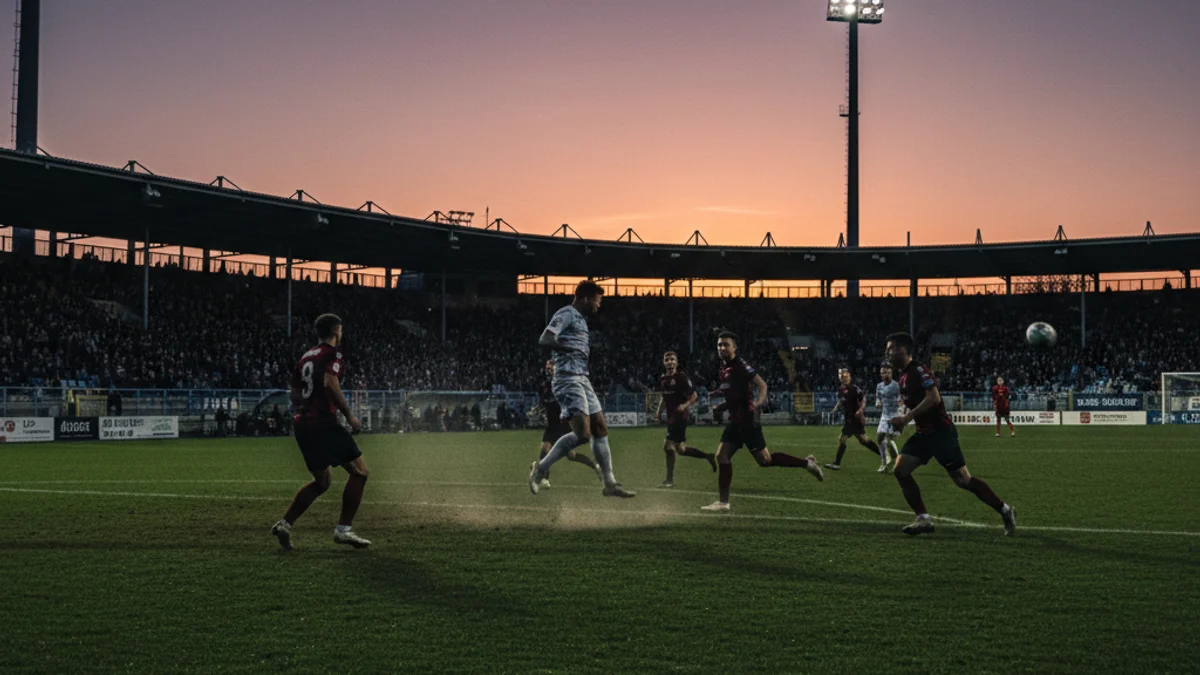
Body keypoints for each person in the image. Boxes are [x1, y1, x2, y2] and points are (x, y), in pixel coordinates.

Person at [885, 332, 1016, 536]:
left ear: (904, 349)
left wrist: (906, 417)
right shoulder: (902, 377)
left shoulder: (919, 370)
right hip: (923, 435)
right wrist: (904, 419)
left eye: (891, 348)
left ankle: (1005, 510)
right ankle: (923, 519)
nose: (888, 353)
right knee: (900, 469)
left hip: (940, 433)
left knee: (963, 480)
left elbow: (934, 398)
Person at [271, 314, 372, 550]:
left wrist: (306, 409)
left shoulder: (305, 356)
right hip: (323, 422)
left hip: (302, 424)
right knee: (360, 472)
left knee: (322, 481)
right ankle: (344, 530)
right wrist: (350, 416)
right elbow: (330, 382)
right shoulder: (333, 354)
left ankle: (285, 524)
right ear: (337, 330)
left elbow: (294, 391)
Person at [528, 281, 635, 498]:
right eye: (597, 300)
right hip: (567, 379)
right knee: (583, 435)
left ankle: (610, 483)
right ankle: (539, 470)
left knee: (601, 428)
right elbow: (545, 338)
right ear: (586, 298)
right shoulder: (566, 313)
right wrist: (568, 348)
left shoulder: (582, 321)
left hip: (582, 379)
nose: (598, 305)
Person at [701, 331, 823, 512]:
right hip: (737, 420)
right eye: (719, 345)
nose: (722, 348)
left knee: (764, 460)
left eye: (726, 344)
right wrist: (720, 402)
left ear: (735, 347)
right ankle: (723, 503)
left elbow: (762, 384)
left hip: (748, 420)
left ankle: (807, 463)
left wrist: (758, 402)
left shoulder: (741, 366)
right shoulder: (724, 368)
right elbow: (735, 394)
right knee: (723, 456)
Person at [534, 359, 603, 488]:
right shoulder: (544, 386)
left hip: (565, 423)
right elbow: (543, 401)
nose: (549, 371)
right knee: (545, 448)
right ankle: (544, 479)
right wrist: (538, 409)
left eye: (551, 368)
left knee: (571, 455)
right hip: (552, 424)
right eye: (547, 368)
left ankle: (595, 466)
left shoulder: (565, 384)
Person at [656, 351, 717, 487]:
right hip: (672, 417)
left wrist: (685, 405)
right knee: (681, 450)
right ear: (664, 362)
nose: (670, 362)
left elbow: (694, 395)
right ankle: (708, 456)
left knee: (668, 446)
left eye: (672, 359)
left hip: (680, 417)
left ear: (676, 363)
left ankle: (669, 480)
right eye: (667, 359)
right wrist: (658, 412)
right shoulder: (663, 379)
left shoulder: (681, 378)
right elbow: (664, 398)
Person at [825, 368, 883, 471]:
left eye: (846, 376)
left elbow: (863, 398)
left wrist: (861, 411)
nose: (844, 378)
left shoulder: (854, 389)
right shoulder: (841, 389)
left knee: (842, 438)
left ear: (850, 376)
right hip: (849, 418)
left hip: (854, 419)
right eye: (842, 377)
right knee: (863, 440)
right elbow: (840, 401)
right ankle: (883, 454)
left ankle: (836, 463)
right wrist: (834, 409)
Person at [874, 364, 903, 473]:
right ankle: (884, 461)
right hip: (884, 415)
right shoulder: (879, 386)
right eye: (883, 373)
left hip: (895, 415)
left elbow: (902, 397)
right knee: (879, 437)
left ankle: (891, 458)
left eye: (887, 373)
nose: (885, 375)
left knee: (890, 438)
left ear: (891, 373)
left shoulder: (896, 385)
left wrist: (901, 401)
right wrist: (878, 403)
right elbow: (878, 398)